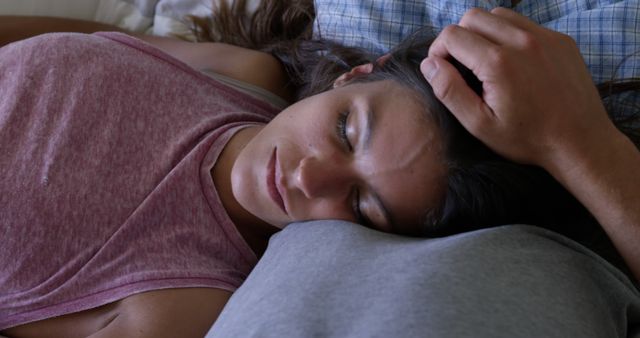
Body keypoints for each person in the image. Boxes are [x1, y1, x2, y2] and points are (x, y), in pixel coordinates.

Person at [0, 3, 638, 338]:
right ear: (355, 73)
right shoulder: (243, 75)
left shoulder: (185, 301)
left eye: (361, 204)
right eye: (345, 130)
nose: (309, 179)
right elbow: (85, 42)